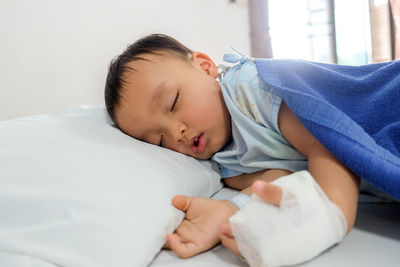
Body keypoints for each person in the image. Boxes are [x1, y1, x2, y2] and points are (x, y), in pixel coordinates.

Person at [104, 34, 399, 265]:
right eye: (158, 140)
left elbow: (326, 138)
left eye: (172, 102)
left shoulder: (250, 90)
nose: (175, 133)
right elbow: (281, 173)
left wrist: (331, 215)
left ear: (205, 68)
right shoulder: (227, 166)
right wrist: (230, 209)